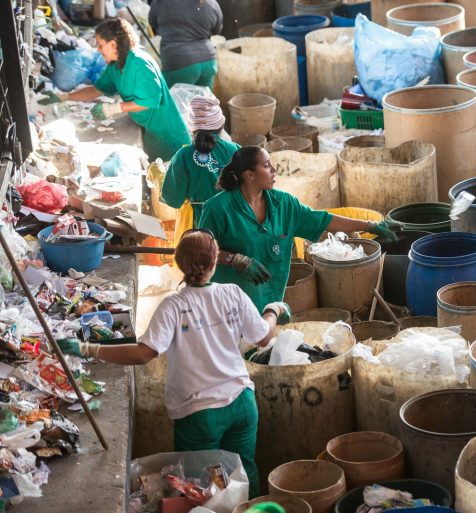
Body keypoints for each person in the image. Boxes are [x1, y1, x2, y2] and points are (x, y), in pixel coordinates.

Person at [58, 229, 292, 498]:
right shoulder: (233, 294)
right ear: (214, 261)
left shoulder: (174, 306)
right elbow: (264, 336)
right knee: (244, 474)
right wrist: (273, 310)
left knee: (200, 487)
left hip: (199, 414)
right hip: (241, 402)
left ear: (179, 264)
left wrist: (89, 348)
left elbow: (143, 353)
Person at [198, 146, 401, 312]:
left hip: (269, 303)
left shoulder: (284, 204)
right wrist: (234, 260)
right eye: (267, 166)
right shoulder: (217, 208)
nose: (274, 170)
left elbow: (323, 220)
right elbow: (199, 251)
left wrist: (370, 225)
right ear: (250, 175)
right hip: (228, 306)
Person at [39, 19, 190, 161]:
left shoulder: (139, 62)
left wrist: (113, 108)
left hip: (168, 133)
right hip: (150, 132)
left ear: (113, 44)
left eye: (100, 45)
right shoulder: (115, 66)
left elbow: (149, 101)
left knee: (175, 178)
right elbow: (96, 90)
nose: (98, 50)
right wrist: (64, 97)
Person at [162, 96, 239, 227]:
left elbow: (172, 199)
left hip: (202, 225)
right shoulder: (236, 150)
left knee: (206, 248)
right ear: (221, 125)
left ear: (191, 129)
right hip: (235, 222)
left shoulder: (183, 156)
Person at [148, 0, 223, 89]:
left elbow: (152, 23)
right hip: (208, 61)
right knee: (203, 101)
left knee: (175, 101)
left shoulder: (160, 2)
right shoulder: (211, 3)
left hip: (179, 61)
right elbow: (217, 30)